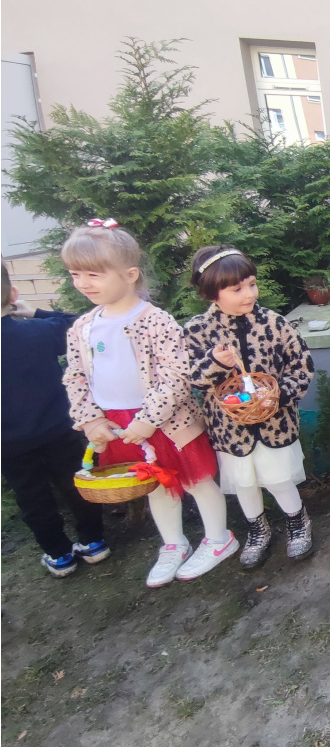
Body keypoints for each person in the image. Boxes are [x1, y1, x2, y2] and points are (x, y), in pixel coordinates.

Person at [60, 222, 233, 587]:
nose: (83, 283)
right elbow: (75, 376)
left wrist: (149, 419)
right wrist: (91, 420)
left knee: (197, 481)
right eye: (75, 274)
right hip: (118, 423)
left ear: (130, 275)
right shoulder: (82, 328)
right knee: (153, 484)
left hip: (166, 421)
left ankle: (219, 538)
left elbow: (176, 375)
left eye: (94, 274)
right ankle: (173, 544)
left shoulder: (155, 321)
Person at [183, 247, 315, 566]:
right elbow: (192, 377)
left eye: (252, 284)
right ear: (212, 294)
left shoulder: (274, 323)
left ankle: (298, 521)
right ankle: (257, 529)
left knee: (279, 478)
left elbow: (302, 365)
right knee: (243, 483)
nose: (249, 294)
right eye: (237, 289)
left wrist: (278, 396)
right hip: (229, 430)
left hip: (274, 423)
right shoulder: (198, 331)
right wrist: (215, 363)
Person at [0, 265, 107, 577]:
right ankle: (93, 542)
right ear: (13, 295)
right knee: (77, 482)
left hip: (9, 442)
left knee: (32, 498)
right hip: (59, 428)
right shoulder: (38, 331)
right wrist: (35, 312)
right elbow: (78, 326)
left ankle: (58, 554)